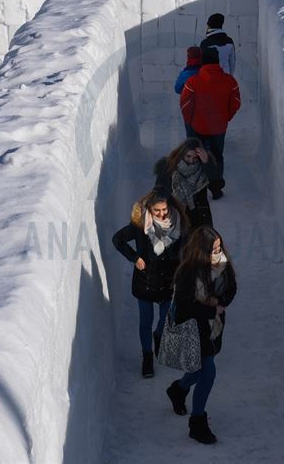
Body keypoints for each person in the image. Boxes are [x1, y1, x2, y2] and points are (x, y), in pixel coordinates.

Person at [164, 226, 237, 445]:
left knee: (198, 372)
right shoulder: (188, 273)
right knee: (208, 372)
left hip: (213, 327)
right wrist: (211, 309)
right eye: (212, 250)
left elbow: (232, 287)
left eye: (219, 247)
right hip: (193, 328)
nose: (217, 253)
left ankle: (178, 389)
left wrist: (220, 303)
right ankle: (197, 423)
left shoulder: (223, 264)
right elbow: (184, 308)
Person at [112, 189, 189, 377]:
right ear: (149, 209)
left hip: (169, 281)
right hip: (146, 280)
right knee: (145, 321)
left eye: (164, 209)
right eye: (157, 211)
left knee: (166, 319)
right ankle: (147, 356)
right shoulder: (139, 226)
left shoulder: (179, 224)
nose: (162, 214)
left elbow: (187, 249)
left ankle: (159, 335)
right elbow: (117, 239)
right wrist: (135, 257)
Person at [180, 48, 241, 200]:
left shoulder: (193, 81)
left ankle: (197, 191)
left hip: (197, 126)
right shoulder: (230, 81)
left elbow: (185, 104)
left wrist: (190, 121)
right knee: (216, 156)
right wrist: (226, 117)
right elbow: (236, 103)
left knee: (195, 156)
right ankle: (216, 188)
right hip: (218, 127)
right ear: (217, 61)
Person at [154, 138, 217, 228]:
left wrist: (208, 164)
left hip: (198, 216)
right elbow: (158, 194)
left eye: (195, 158)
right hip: (172, 215)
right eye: (188, 156)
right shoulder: (167, 168)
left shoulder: (203, 169)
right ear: (181, 154)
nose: (191, 161)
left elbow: (216, 186)